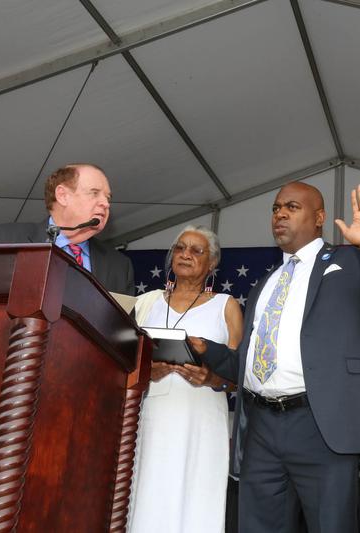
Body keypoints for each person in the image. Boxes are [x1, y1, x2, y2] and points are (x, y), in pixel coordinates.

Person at [193, 182, 360, 533]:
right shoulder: (266, 281)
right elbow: (251, 365)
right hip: (261, 428)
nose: (280, 213)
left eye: (292, 207)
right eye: (276, 207)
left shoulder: (348, 261)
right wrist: (208, 351)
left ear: (319, 218)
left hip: (321, 423)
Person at [128, 225, 243, 533]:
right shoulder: (146, 303)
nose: (185, 255)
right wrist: (148, 372)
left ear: (212, 264)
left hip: (203, 417)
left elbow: (239, 375)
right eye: (180, 248)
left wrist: (210, 379)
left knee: (197, 498)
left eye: (196, 250)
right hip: (152, 416)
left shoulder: (226, 306)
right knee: (149, 494)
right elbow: (123, 365)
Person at [0, 163, 135, 295]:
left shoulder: (120, 265)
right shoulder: (4, 240)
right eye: (94, 193)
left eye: (108, 198)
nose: (105, 203)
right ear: (62, 196)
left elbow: (124, 329)